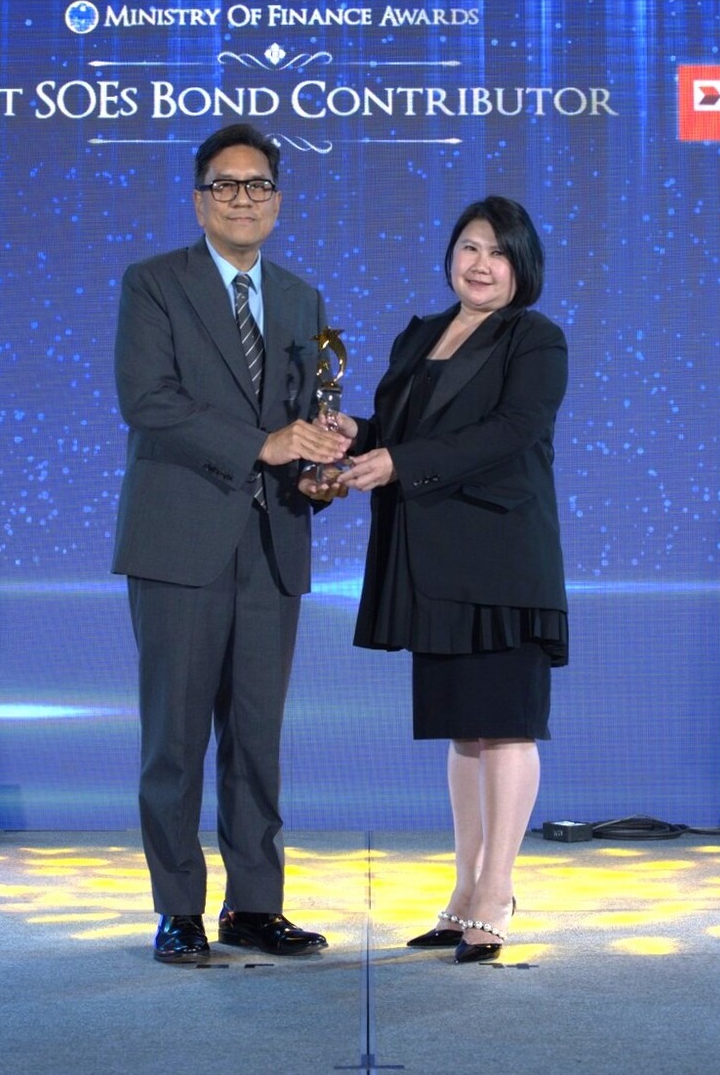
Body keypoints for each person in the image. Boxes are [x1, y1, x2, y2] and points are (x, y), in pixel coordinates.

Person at [112, 123, 348, 964]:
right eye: (225, 185)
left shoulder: (300, 298)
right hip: (179, 541)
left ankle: (253, 905)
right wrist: (263, 444)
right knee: (174, 740)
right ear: (198, 200)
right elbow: (148, 400)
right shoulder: (154, 284)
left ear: (277, 201)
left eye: (257, 185)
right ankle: (178, 908)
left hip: (271, 542)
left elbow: (303, 415)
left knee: (256, 738)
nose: (241, 199)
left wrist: (319, 461)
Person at [319, 196, 569, 963]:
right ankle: (463, 894)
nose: (480, 264)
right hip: (431, 559)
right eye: (468, 247)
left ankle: (497, 891)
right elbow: (409, 432)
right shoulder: (419, 334)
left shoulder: (534, 338)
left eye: (497, 251)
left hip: (501, 556)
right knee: (464, 730)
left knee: (506, 726)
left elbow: (510, 432)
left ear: (521, 265)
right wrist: (357, 435)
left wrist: (398, 460)